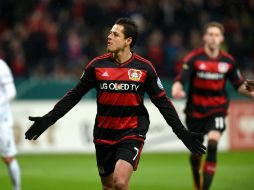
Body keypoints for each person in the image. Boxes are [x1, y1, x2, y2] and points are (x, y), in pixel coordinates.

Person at [25, 17, 206, 190]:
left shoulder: (144, 68)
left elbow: (163, 103)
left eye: (115, 34)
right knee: (108, 186)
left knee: (120, 182)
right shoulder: (97, 65)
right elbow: (74, 95)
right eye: (110, 33)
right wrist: (47, 120)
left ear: (128, 40)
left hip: (131, 132)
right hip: (104, 133)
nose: (109, 37)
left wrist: (181, 133)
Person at [171, 22, 254, 190]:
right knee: (196, 154)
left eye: (217, 35)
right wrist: (177, 89)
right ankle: (196, 179)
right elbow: (181, 80)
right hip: (195, 111)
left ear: (221, 38)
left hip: (217, 109)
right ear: (205, 37)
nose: (213, 38)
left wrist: (252, 91)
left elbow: (238, 84)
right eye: (210, 34)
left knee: (213, 144)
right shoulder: (193, 58)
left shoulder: (228, 61)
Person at [0, 59, 21, 190]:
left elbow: (11, 92)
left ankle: (17, 188)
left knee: (8, 157)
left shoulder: (1, 66)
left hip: (1, 119)